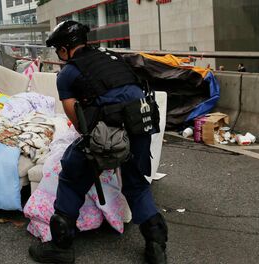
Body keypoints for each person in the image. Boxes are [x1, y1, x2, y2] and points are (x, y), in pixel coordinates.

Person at [28, 21, 168, 264]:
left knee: (72, 174)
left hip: (111, 131)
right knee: (136, 183)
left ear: (64, 49)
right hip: (142, 124)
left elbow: (80, 125)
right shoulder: (114, 58)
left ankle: (61, 247)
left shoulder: (68, 73)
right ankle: (156, 247)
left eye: (59, 51)